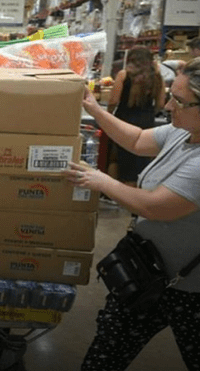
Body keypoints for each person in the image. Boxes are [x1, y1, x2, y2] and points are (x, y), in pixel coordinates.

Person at [65, 58, 200, 371]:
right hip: (149, 273)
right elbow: (138, 140)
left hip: (189, 290)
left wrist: (103, 181)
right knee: (105, 354)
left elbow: (153, 206)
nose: (167, 105)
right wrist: (95, 110)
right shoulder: (184, 133)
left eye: (178, 100)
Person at [106, 46, 166, 186]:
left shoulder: (123, 75)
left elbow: (114, 101)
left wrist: (108, 115)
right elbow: (161, 104)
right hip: (146, 122)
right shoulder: (157, 77)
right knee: (140, 158)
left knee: (116, 158)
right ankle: (135, 190)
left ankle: (112, 193)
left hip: (124, 120)